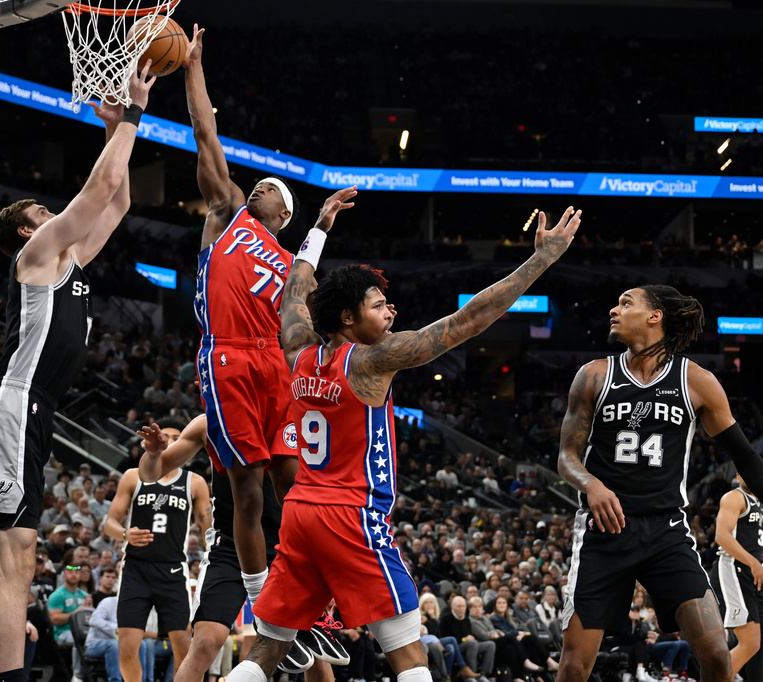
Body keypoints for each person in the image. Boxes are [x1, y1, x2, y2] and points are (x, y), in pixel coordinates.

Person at [221, 188, 579, 682]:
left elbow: (294, 294)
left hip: (300, 514)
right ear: (348, 318)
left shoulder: (299, 349)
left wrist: (320, 229)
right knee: (410, 657)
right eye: (378, 305)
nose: (390, 313)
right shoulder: (371, 360)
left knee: (265, 650)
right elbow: (468, 320)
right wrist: (541, 259)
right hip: (351, 516)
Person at [0, 61, 157, 682]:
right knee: (14, 554)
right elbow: (99, 191)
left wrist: (113, 131)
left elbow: (120, 197)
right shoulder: (38, 252)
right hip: (15, 402)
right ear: (29, 228)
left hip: (33, 409)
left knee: (5, 559)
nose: (58, 214)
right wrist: (130, 113)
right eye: (45, 210)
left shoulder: (70, 259)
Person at [554, 285, 763, 682]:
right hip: (603, 532)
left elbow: (745, 456)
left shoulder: (696, 380)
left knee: (715, 653)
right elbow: (566, 457)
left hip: (666, 531)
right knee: (574, 667)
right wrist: (591, 484)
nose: (614, 309)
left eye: (626, 303)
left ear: (655, 316)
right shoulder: (593, 375)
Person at [181, 23, 301, 611]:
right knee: (247, 495)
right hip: (226, 353)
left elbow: (306, 333)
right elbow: (206, 133)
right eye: (257, 184)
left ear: (285, 215)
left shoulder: (293, 267)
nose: (258, 188)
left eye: (270, 189)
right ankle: (261, 606)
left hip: (275, 364)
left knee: (297, 490)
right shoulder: (228, 213)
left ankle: (308, 590)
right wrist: (194, 67)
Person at [138, 415, 341, 682]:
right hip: (230, 548)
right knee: (204, 644)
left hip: (287, 547)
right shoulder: (209, 421)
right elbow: (151, 473)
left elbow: (324, 493)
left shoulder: (296, 416)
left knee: (316, 659)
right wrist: (153, 454)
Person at [104, 417, 211, 681]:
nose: (172, 442)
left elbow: (209, 530)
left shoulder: (195, 482)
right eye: (168, 436)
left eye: (178, 438)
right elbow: (110, 523)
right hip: (135, 570)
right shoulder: (133, 476)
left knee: (184, 649)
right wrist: (125, 533)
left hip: (173, 570)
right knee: (127, 647)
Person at [709, 473, 763, 682]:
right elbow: (721, 536)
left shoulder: (759, 504)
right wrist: (754, 563)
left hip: (750, 574)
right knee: (751, 642)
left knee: (762, 644)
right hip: (733, 568)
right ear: (737, 476)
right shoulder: (735, 497)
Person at [48, 563, 91, 682]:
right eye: (70, 572)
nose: (74, 575)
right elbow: (54, 620)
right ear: (64, 575)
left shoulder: (85, 595)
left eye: (77, 572)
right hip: (63, 632)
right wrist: (76, 613)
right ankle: (77, 676)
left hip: (84, 631)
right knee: (79, 639)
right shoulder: (57, 595)